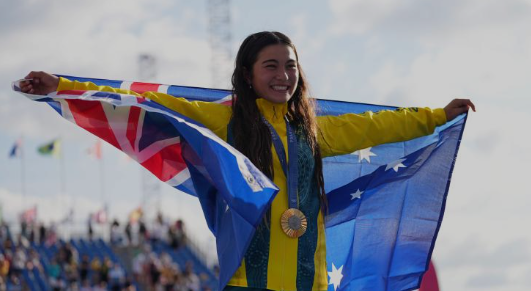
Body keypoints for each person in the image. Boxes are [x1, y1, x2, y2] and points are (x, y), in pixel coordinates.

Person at [20, 31, 475, 291]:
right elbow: (147, 104)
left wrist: (438, 116)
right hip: (246, 281)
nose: (284, 76)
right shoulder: (225, 121)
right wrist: (62, 85)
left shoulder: (316, 130)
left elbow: (379, 125)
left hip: (309, 283)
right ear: (248, 73)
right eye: (271, 66)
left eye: (290, 66)